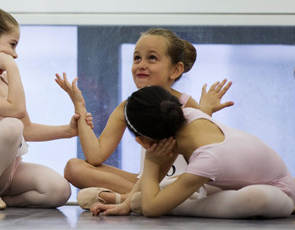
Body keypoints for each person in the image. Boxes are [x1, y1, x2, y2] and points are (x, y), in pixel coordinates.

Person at [57, 28, 233, 209]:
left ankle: (125, 198)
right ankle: (135, 198)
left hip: (182, 180)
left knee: (202, 185)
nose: (141, 64)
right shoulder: (127, 107)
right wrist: (80, 106)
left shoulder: (186, 104)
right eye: (137, 58)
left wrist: (205, 111)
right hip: (146, 180)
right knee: (74, 168)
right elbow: (95, 156)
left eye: (152, 58)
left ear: (175, 70)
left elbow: (205, 151)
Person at [0, 0, 89, 210]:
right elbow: (16, 113)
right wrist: (12, 67)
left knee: (60, 190)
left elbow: (26, 129)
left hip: (12, 168)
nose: (15, 55)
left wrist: (68, 131)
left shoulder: (5, 81)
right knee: (12, 125)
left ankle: (3, 199)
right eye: (12, 44)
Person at [109, 85, 295, 218]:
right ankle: (143, 199)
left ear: (142, 141)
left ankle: (178, 207)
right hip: (229, 185)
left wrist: (151, 161)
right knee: (171, 183)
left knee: (254, 198)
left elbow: (150, 208)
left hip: (280, 193)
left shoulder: (207, 158)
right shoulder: (187, 117)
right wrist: (127, 205)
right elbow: (160, 172)